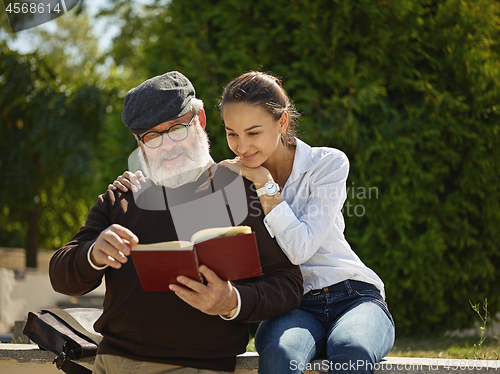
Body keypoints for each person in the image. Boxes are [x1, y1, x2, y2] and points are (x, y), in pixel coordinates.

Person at [112, 71, 395, 374]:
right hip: (292, 307)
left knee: (352, 350)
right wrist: (136, 181)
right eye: (232, 133)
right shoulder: (229, 177)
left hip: (353, 295)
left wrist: (265, 184)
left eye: (253, 132)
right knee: (279, 354)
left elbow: (301, 248)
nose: (242, 146)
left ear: (282, 122)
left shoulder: (326, 164)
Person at [49, 71, 303, 374]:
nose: (167, 145)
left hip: (196, 367)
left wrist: (231, 301)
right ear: (139, 143)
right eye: (152, 137)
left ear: (200, 121)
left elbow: (287, 285)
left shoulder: (243, 190)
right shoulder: (122, 197)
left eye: (177, 129)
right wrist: (93, 253)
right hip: (112, 364)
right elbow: (61, 276)